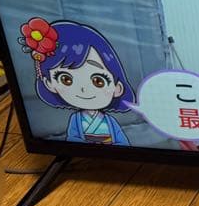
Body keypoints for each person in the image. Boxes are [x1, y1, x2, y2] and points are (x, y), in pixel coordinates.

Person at [21, 17, 135, 145]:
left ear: (117, 88)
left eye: (98, 81)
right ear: (49, 84)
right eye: (66, 79)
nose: (83, 89)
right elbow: (73, 138)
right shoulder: (76, 119)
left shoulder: (110, 122)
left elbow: (122, 141)